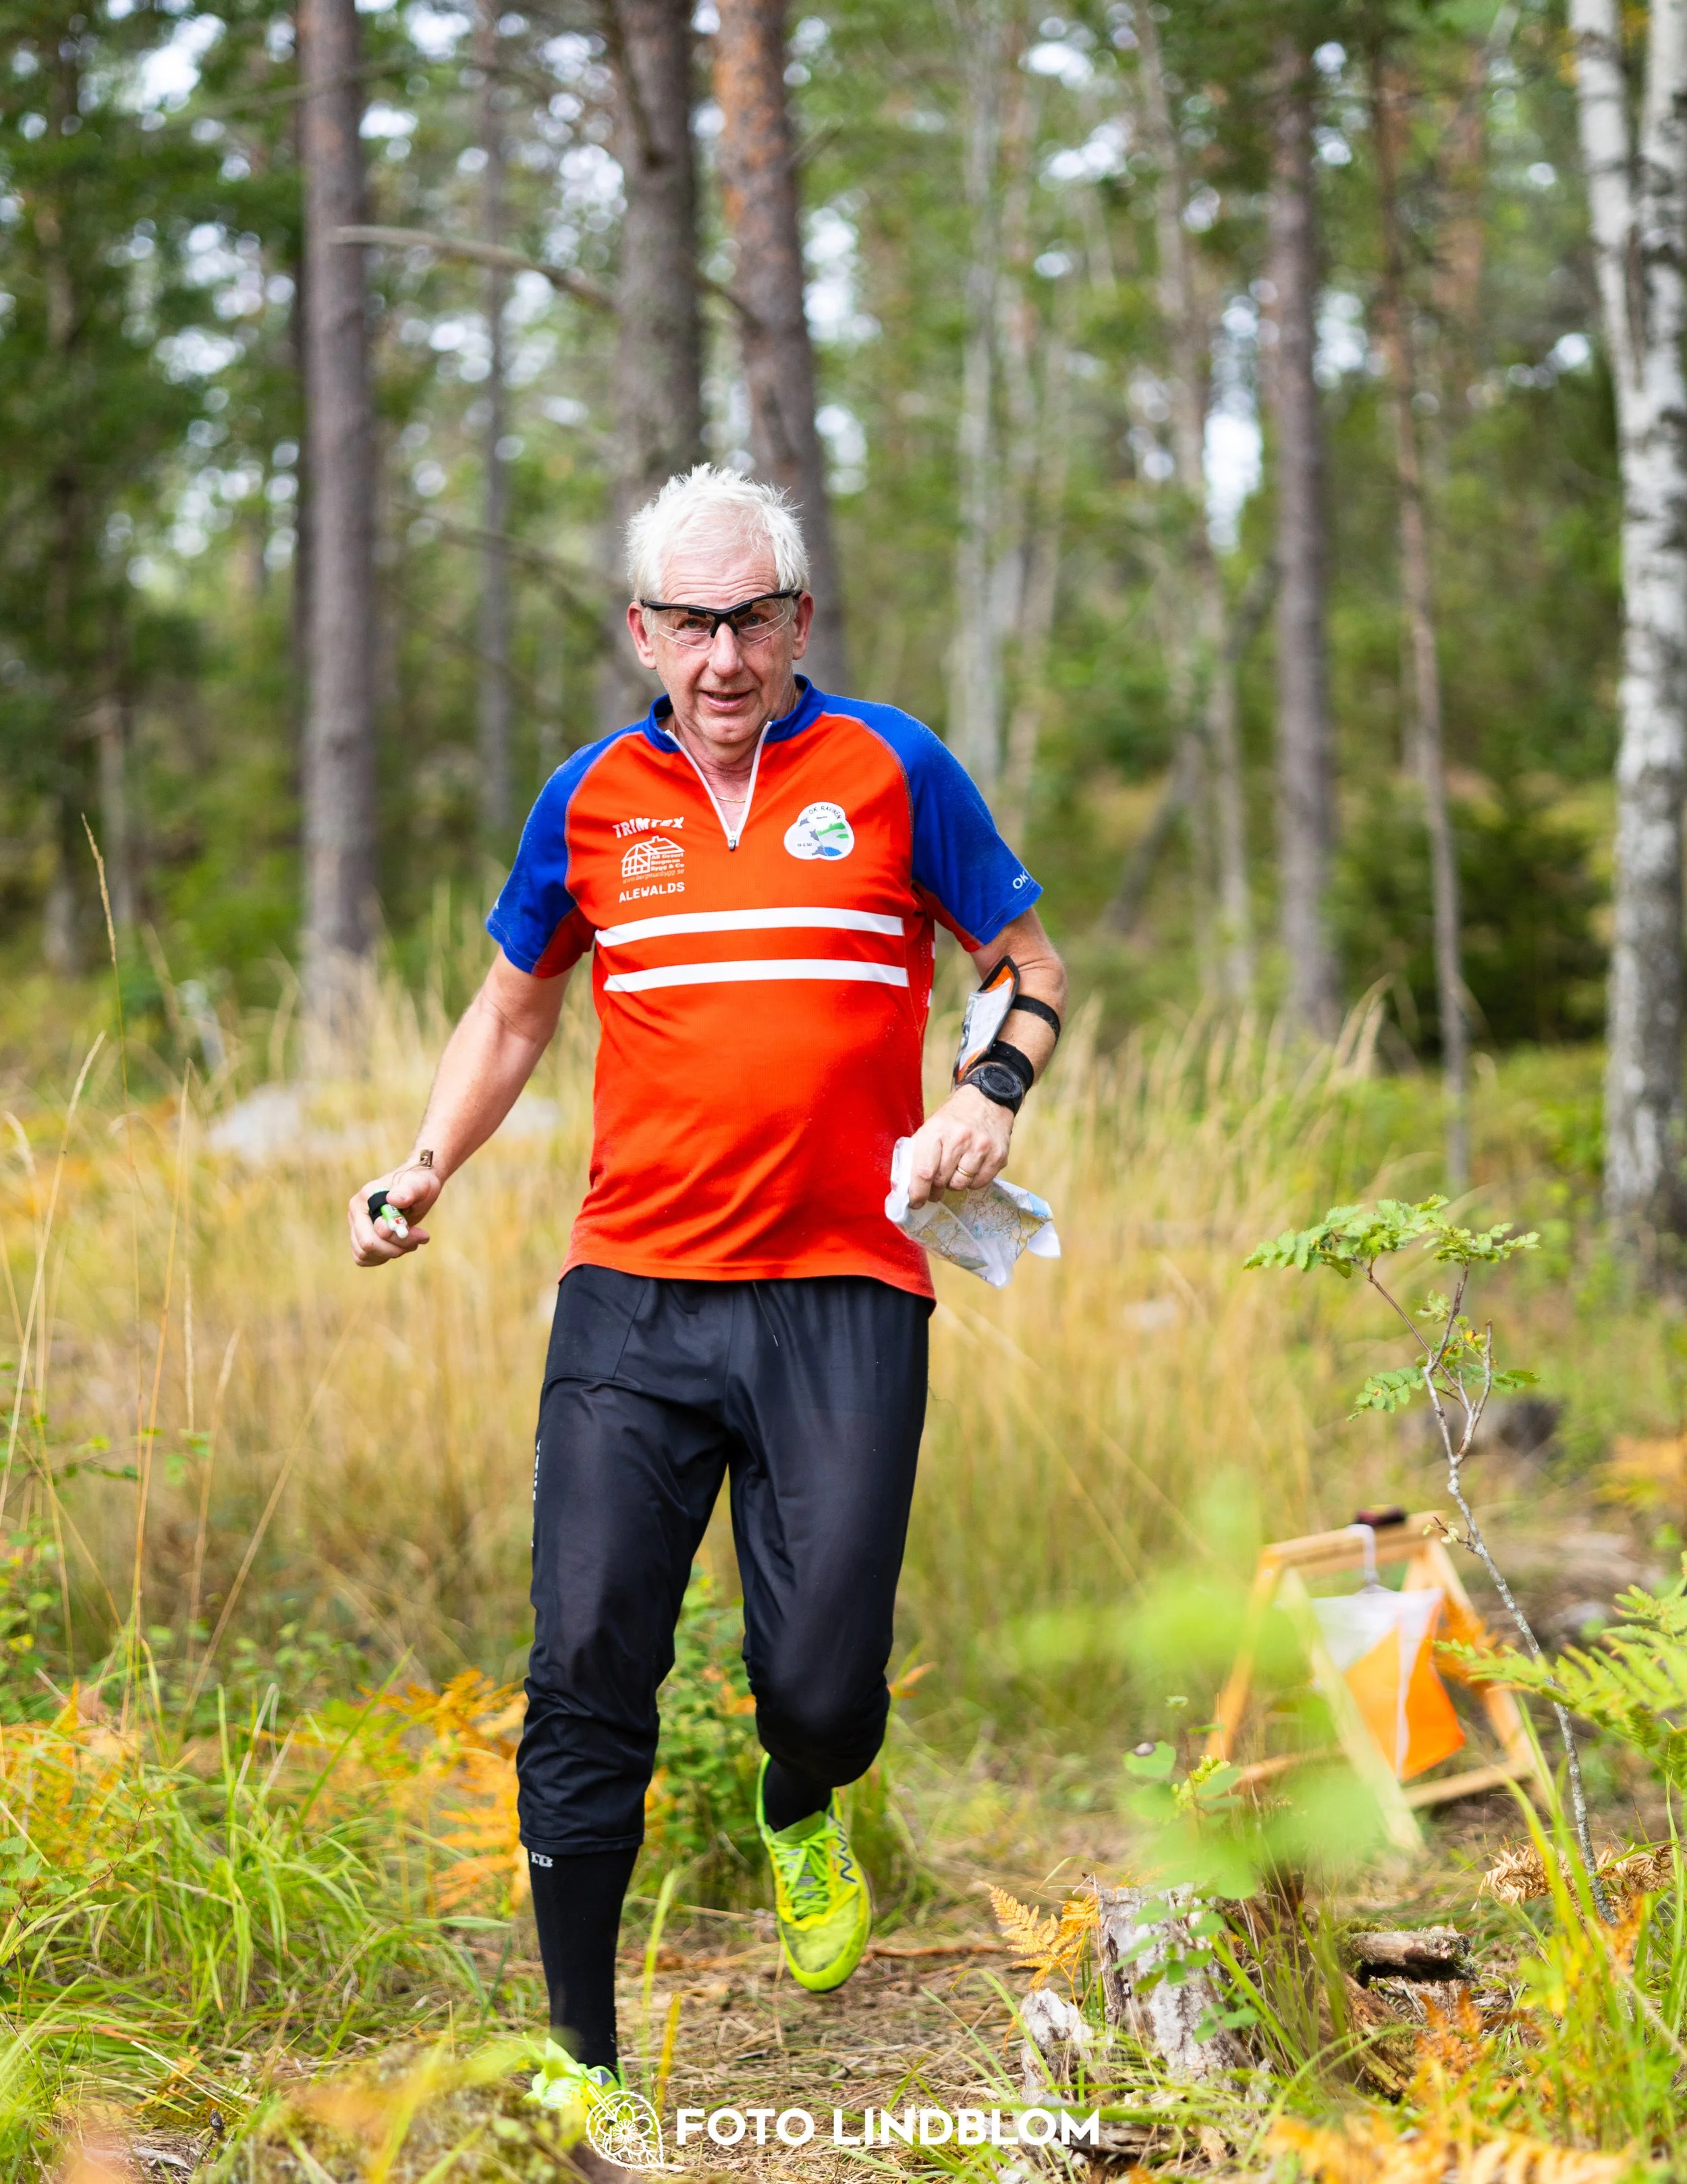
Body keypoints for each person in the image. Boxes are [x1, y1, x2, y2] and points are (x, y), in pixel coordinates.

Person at [347, 464, 1067, 2111]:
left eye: (752, 617)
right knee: (587, 1660)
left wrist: (985, 1092)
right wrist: (425, 1164)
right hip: (633, 1299)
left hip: (843, 1290)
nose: (724, 654)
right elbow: (514, 1009)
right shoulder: (589, 799)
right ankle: (580, 2061)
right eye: (690, 620)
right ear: (642, 629)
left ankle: (800, 1800)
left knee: (822, 1685)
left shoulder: (892, 767)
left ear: (797, 618)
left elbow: (1026, 967)